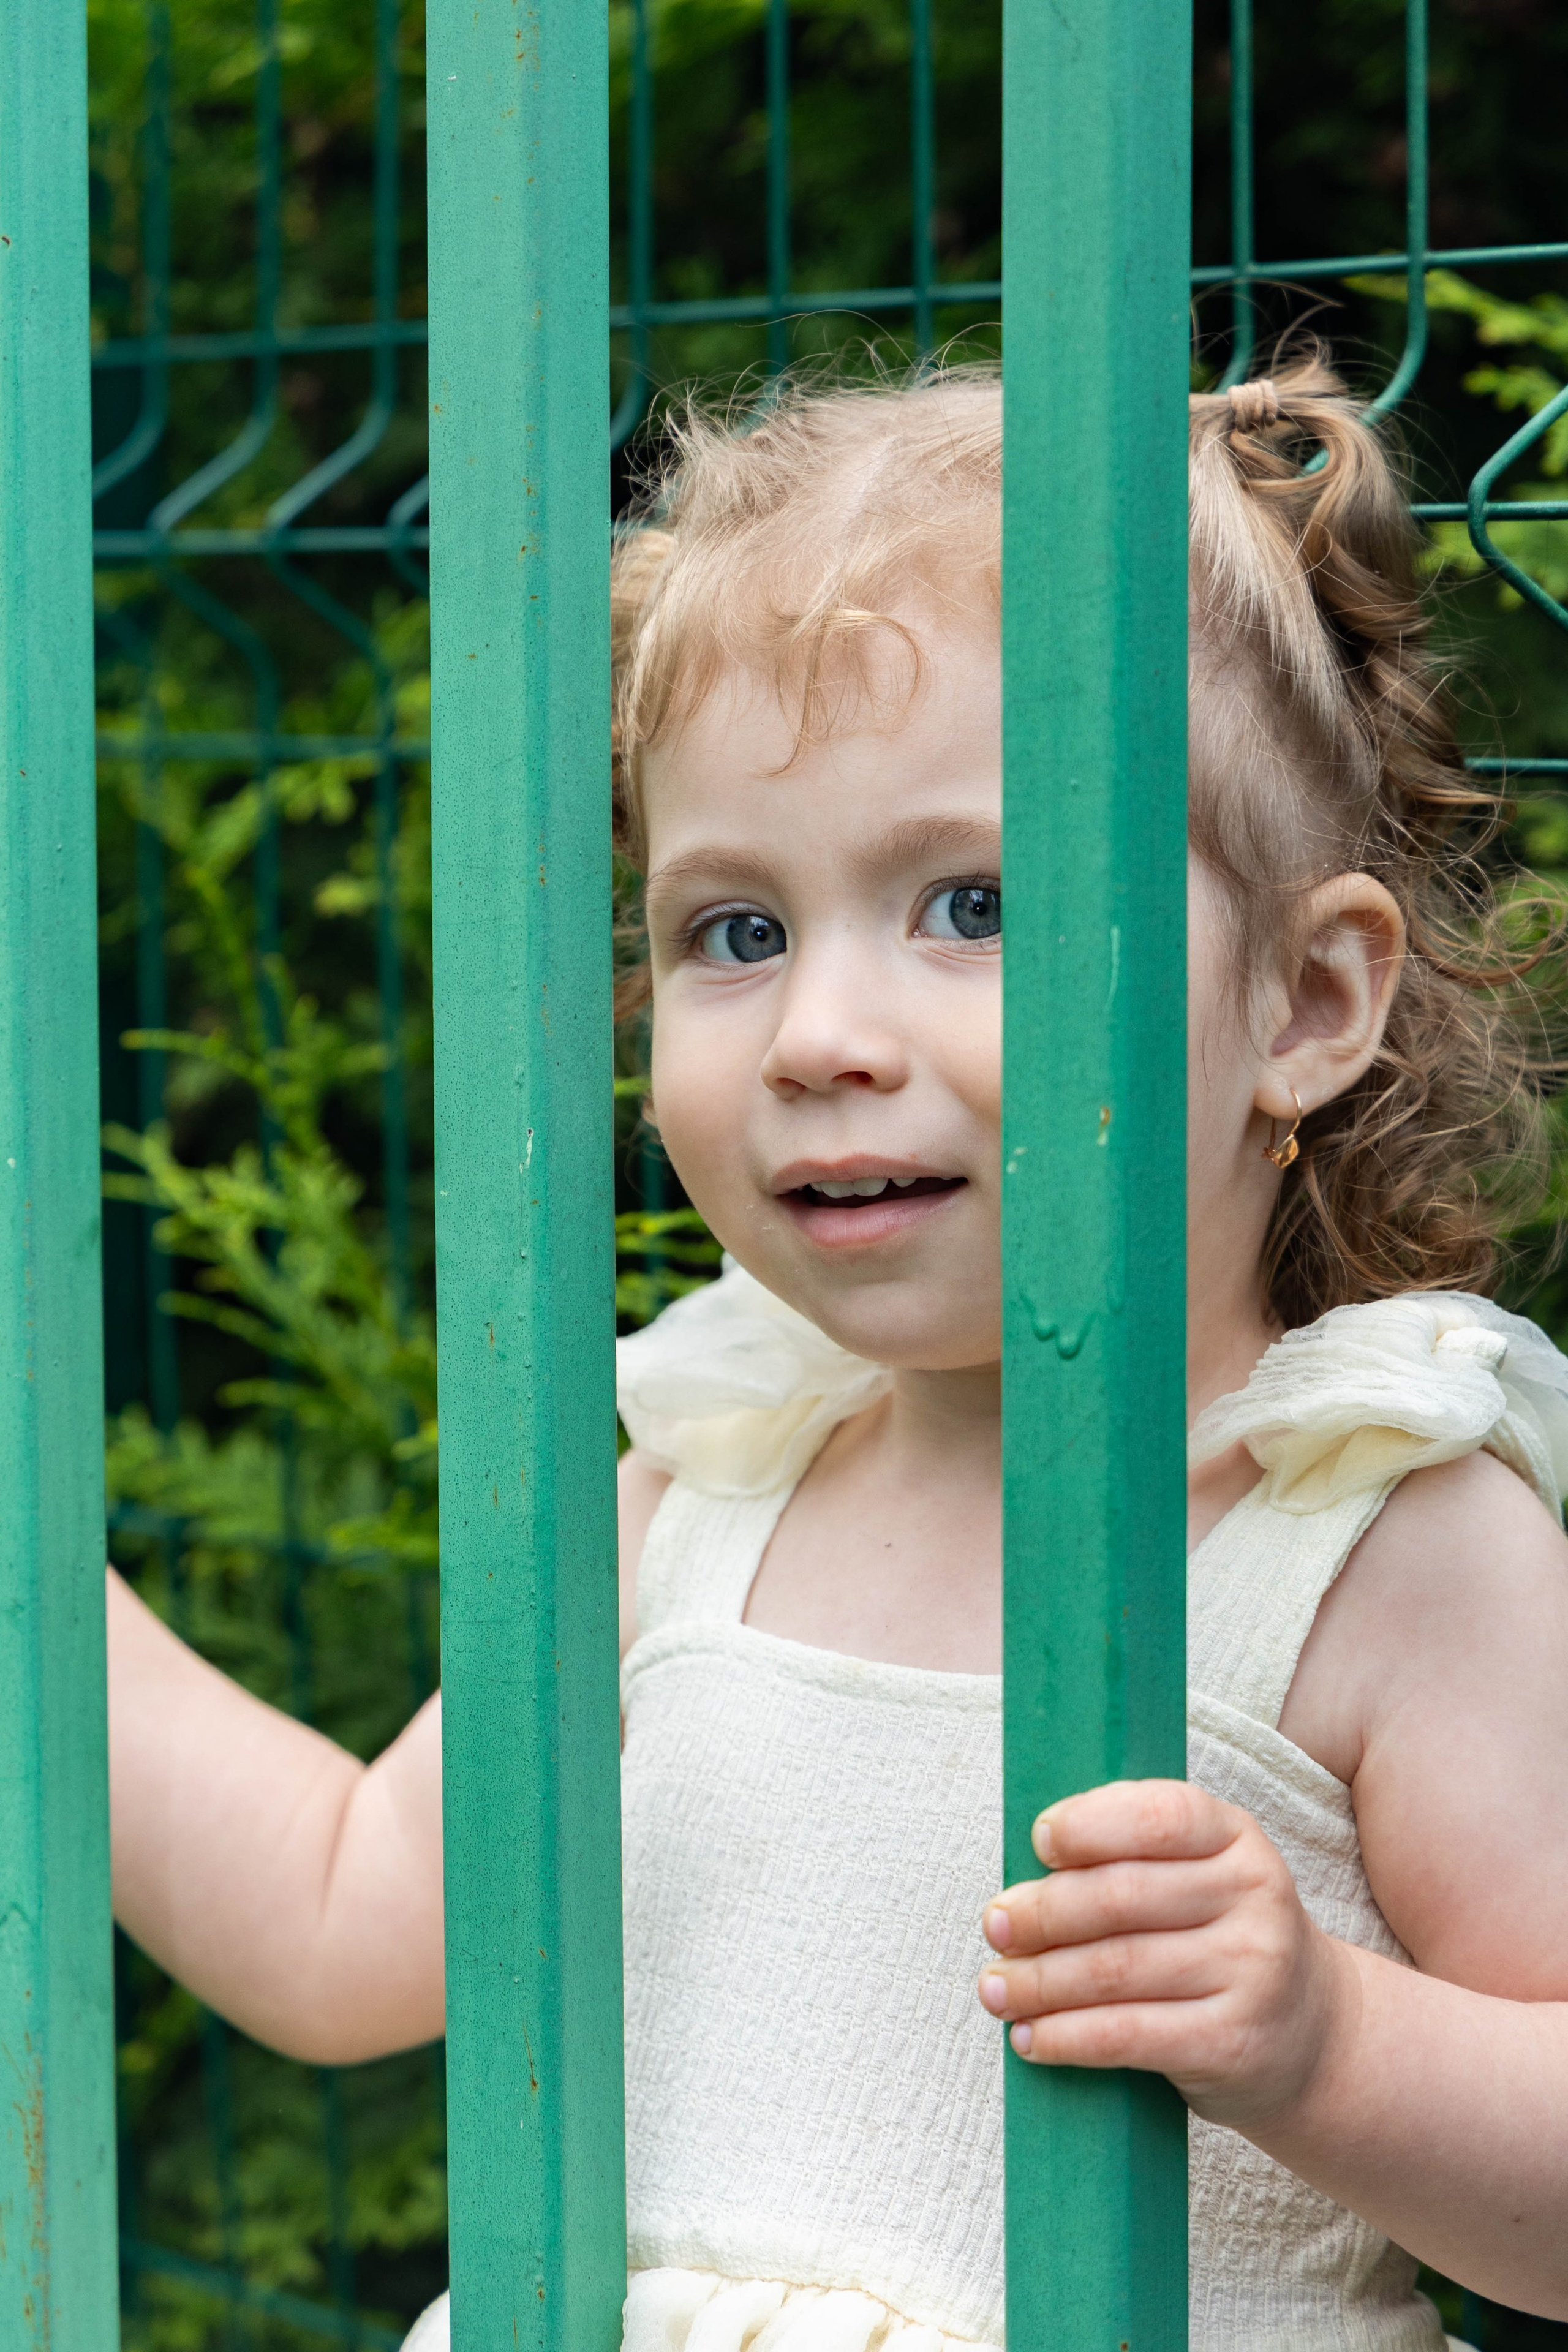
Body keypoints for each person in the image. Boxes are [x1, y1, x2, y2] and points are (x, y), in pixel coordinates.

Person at [107, 356, 1568, 2352]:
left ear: (1311, 1001)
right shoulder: (699, 1495)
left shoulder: (1383, 1549)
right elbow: (340, 1922)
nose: (817, 1036)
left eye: (975, 903)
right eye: (734, 931)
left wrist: (1329, 2042)